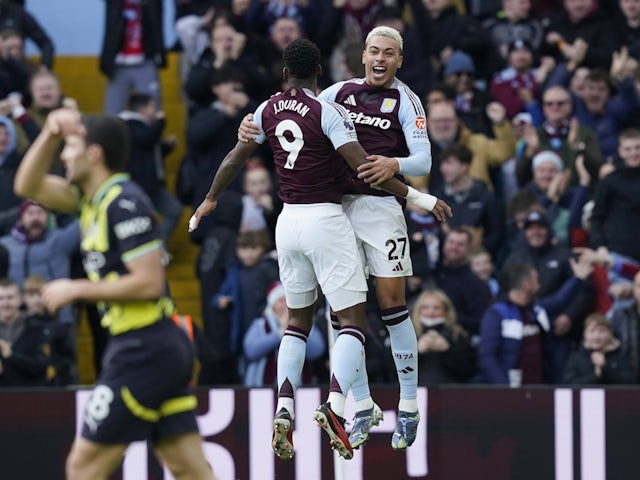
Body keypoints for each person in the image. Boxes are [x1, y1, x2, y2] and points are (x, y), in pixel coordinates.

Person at [190, 38, 451, 460]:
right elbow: (328, 136)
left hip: (373, 210)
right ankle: (356, 405)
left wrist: (397, 164)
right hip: (336, 211)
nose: (380, 58)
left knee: (390, 305)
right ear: (360, 56)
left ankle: (406, 404)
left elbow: (422, 160)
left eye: (389, 52)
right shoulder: (334, 97)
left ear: (400, 59)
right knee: (346, 314)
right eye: (373, 51)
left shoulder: (407, 100)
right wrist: (419, 198)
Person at [13, 108, 215, 479]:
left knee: (83, 467)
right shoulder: (91, 201)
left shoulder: (125, 203)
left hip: (144, 349)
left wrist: (76, 288)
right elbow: (26, 186)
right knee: (191, 470)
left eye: (71, 147)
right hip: (154, 348)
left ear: (94, 154)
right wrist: (52, 133)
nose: (63, 156)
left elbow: (149, 283)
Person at [243, 281, 325, 387]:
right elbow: (251, 350)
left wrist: (296, 329)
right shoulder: (260, 325)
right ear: (272, 305)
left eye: (288, 301)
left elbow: (317, 351)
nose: (286, 305)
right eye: (281, 301)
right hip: (262, 390)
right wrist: (280, 333)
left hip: (300, 388)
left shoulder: (306, 322)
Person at [411, 288, 476, 384]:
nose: (431, 312)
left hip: (449, 391)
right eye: (425, 307)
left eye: (436, 308)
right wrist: (416, 352)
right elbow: (393, 370)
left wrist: (448, 350)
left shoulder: (457, 335)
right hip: (415, 392)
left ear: (446, 311)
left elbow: (468, 370)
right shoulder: (407, 334)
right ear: (418, 310)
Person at [0, 277, 51, 387]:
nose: (5, 303)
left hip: (29, 396)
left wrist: (11, 356)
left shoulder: (36, 328)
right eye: (1, 298)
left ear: (21, 299)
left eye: (10, 298)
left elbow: (41, 366)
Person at [563, 312, 634, 385]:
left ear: (610, 334)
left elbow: (628, 383)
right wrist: (596, 376)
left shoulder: (620, 356)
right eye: (592, 331)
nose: (596, 336)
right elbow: (569, 384)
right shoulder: (576, 358)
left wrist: (605, 368)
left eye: (602, 331)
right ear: (584, 334)